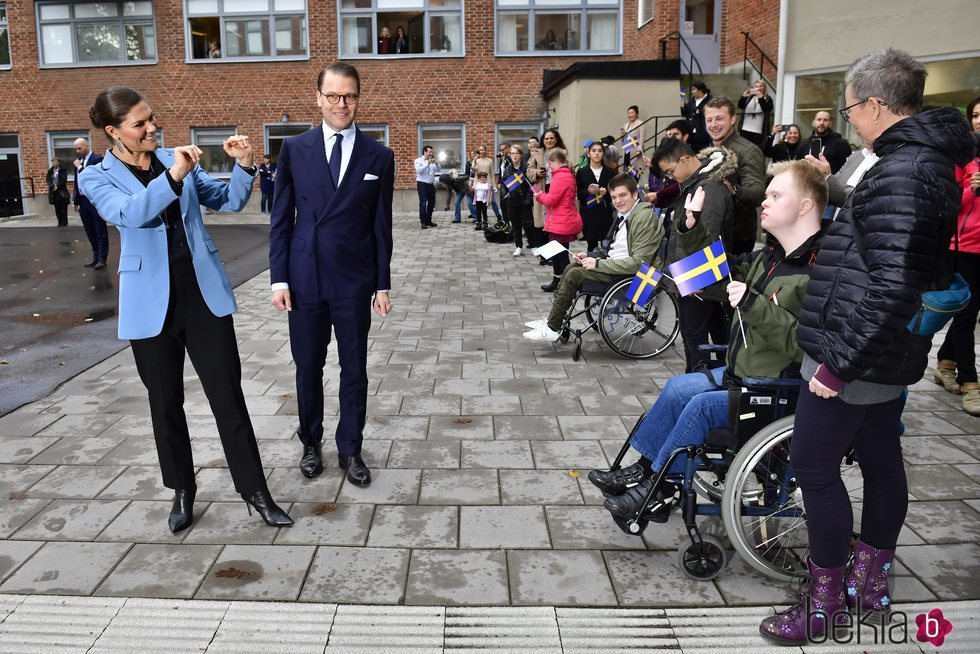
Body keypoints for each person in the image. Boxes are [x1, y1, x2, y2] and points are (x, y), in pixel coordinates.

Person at [759, 48, 973, 646]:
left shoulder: (905, 171)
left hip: (858, 354)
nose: (849, 117)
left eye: (852, 106)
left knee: (814, 469)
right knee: (881, 467)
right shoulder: (915, 163)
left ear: (877, 104)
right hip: (882, 350)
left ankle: (824, 606)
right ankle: (869, 588)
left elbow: (892, 281)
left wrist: (837, 360)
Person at [78, 86, 292, 533]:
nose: (152, 127)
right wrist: (173, 177)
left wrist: (244, 164)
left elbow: (228, 201)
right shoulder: (95, 176)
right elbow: (131, 213)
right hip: (147, 304)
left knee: (228, 397)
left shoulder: (176, 156)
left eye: (152, 118)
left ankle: (256, 492)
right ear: (113, 132)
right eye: (140, 124)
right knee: (165, 403)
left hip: (202, 296)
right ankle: (182, 489)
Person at [591, 161, 826, 524]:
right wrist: (692, 227)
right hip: (743, 374)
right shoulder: (773, 256)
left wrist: (751, 303)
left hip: (774, 391)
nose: (763, 201)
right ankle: (645, 470)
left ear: (806, 206)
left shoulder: (818, 271)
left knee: (698, 407)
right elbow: (717, 271)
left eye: (776, 195)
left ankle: (656, 486)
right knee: (676, 388)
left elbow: (804, 345)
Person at [269, 62, 394, 489]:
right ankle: (310, 442)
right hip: (304, 278)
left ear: (359, 98)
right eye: (334, 96)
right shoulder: (294, 148)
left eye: (350, 96)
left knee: (354, 367)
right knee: (308, 365)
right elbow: (282, 219)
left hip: (354, 278)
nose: (342, 104)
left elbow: (382, 225)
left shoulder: (379, 155)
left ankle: (350, 448)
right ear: (318, 97)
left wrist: (382, 282)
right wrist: (279, 279)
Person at [522, 173, 664, 342]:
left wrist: (597, 264)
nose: (618, 201)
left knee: (574, 274)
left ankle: (554, 326)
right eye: (614, 197)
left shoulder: (643, 218)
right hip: (616, 267)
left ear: (634, 195)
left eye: (623, 195)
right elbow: (613, 249)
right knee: (571, 268)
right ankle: (556, 320)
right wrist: (590, 255)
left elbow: (639, 263)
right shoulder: (626, 215)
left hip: (632, 277)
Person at [652, 137, 736, 372]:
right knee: (702, 334)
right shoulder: (697, 184)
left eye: (670, 171)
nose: (671, 178)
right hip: (694, 274)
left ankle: (699, 384)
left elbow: (707, 234)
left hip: (700, 277)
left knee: (695, 336)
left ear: (685, 159)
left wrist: (697, 278)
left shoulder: (707, 188)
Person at [933, 96, 980, 415]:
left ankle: (945, 363)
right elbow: (946, 201)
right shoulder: (964, 156)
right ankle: (971, 382)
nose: (979, 121)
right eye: (976, 115)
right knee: (966, 313)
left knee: (970, 312)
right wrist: (971, 190)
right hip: (964, 247)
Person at [704, 96, 766, 254]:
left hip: (736, 237)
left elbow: (758, 193)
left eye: (719, 119)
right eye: (709, 120)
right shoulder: (707, 151)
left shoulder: (749, 150)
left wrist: (733, 189)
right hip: (709, 232)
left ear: (733, 119)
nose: (713, 125)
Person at [533, 149, 581, 292]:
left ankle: (568, 284)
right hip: (563, 219)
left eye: (550, 164)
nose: (549, 167)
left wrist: (539, 196)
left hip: (561, 220)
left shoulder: (560, 177)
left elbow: (552, 200)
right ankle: (557, 281)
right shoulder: (566, 175)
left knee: (560, 254)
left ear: (557, 162)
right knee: (558, 252)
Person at [72, 138, 109, 268]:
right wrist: (75, 200)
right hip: (83, 200)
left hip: (95, 199)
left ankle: (102, 258)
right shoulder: (79, 162)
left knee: (100, 229)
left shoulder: (97, 159)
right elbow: (77, 182)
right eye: (75, 149)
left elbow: (93, 176)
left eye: (79, 148)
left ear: (86, 146)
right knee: (89, 230)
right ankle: (95, 255)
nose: (77, 151)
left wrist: (79, 167)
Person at [576, 141, 615, 251]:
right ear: (588, 154)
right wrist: (588, 191)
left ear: (603, 154)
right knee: (591, 246)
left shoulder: (610, 172)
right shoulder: (582, 172)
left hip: (605, 211)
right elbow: (578, 194)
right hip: (589, 212)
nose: (597, 153)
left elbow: (615, 191)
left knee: (606, 245)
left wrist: (606, 192)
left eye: (600, 151)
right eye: (594, 151)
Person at [502, 144, 534, 256]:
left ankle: (533, 245)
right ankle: (518, 246)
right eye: (512, 153)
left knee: (528, 225)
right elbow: (504, 184)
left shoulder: (527, 167)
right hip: (512, 202)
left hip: (525, 201)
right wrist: (504, 194)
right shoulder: (507, 170)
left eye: (517, 153)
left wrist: (529, 198)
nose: (514, 156)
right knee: (515, 225)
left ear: (520, 155)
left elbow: (533, 185)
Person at [808, 110, 852, 174]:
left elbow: (848, 167)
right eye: (819, 119)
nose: (822, 123)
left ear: (830, 123)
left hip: (832, 182)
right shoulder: (804, 145)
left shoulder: (841, 144)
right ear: (813, 122)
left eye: (825, 120)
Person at [526, 136, 548, 259]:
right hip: (540, 191)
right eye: (546, 139)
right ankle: (543, 256)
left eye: (551, 138)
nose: (549, 141)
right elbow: (529, 172)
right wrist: (536, 173)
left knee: (552, 227)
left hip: (555, 192)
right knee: (540, 224)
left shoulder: (559, 153)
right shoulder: (536, 156)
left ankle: (552, 255)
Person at [737, 80, 774, 146]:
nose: (759, 88)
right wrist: (743, 97)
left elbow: (767, 109)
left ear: (764, 88)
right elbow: (740, 106)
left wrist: (761, 98)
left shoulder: (768, 99)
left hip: (758, 131)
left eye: (761, 86)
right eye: (756, 86)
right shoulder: (749, 97)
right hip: (745, 129)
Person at [471, 145, 501, 221]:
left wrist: (494, 186)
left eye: (483, 150)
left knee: (492, 201)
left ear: (485, 150)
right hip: (478, 184)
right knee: (479, 202)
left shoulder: (490, 161)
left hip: (488, 183)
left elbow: (492, 173)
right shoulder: (477, 161)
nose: (481, 152)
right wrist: (474, 160)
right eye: (480, 150)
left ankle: (499, 217)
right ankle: (481, 219)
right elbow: (473, 170)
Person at [414, 145, 439, 229]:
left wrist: (437, 163)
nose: (431, 153)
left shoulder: (432, 161)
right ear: (424, 152)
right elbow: (419, 170)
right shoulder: (418, 161)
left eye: (432, 152)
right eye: (429, 152)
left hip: (431, 184)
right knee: (423, 203)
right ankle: (423, 222)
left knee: (432, 203)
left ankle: (429, 220)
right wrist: (427, 163)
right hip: (422, 184)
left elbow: (439, 169)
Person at [683, 81, 712, 151]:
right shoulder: (692, 101)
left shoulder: (710, 100)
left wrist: (700, 112)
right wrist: (683, 107)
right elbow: (686, 114)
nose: (692, 92)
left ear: (700, 90)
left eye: (694, 89)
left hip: (704, 130)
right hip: (692, 129)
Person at [46, 158, 69, 227]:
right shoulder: (50, 171)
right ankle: (59, 221)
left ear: (58, 163)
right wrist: (53, 186)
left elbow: (64, 179)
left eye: (56, 162)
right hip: (53, 192)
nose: (54, 163)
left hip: (61, 191)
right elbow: (48, 180)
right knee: (57, 208)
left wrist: (57, 186)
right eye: (53, 162)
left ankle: (64, 222)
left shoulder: (63, 170)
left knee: (63, 208)